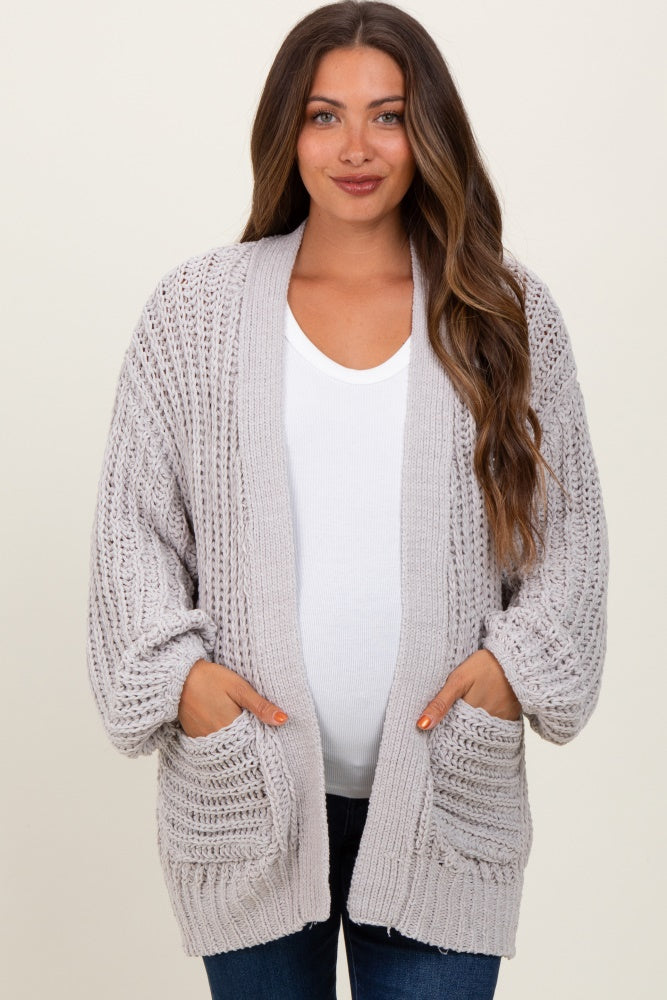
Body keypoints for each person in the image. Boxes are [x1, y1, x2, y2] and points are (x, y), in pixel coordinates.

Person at [85, 2, 609, 998]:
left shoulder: (501, 312)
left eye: (388, 116)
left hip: (445, 791)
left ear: (429, 131)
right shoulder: (194, 313)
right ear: (288, 131)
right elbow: (133, 532)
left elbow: (569, 531)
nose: (355, 147)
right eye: (324, 115)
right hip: (246, 789)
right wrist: (185, 684)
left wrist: (512, 669)